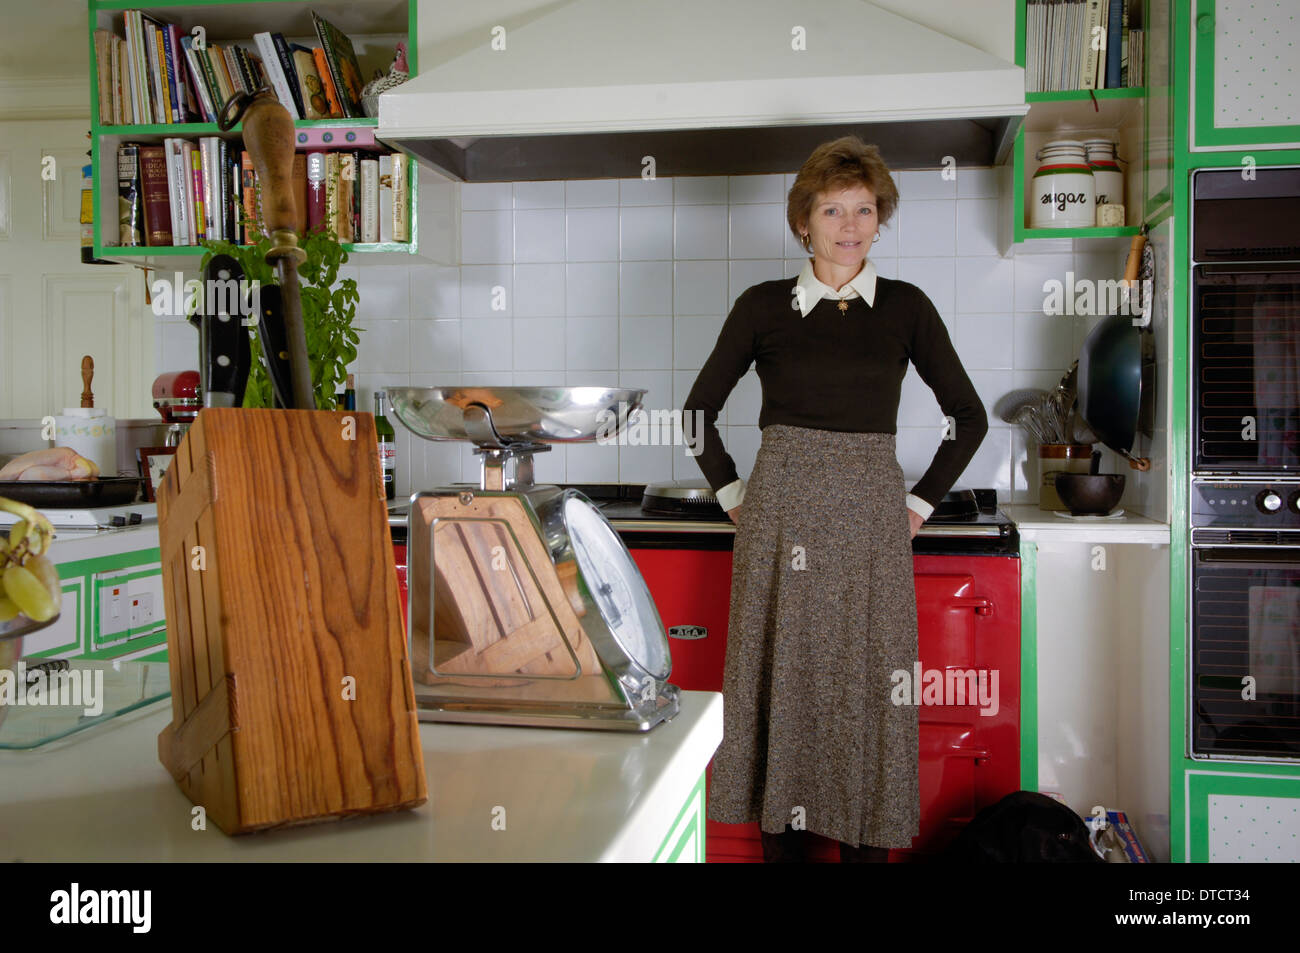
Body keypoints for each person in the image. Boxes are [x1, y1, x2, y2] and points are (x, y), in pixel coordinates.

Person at [683, 136, 988, 863]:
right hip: (779, 514)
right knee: (781, 687)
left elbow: (968, 417)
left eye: (864, 209)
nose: (849, 224)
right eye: (832, 209)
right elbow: (698, 412)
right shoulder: (762, 307)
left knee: (866, 697)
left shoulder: (907, 308)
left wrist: (916, 506)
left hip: (870, 526)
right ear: (803, 222)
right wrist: (735, 496)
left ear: (879, 219)